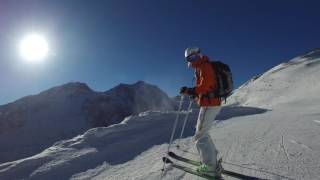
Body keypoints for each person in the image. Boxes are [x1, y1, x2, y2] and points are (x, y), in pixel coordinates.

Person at [180, 47, 222, 177]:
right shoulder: (201, 68)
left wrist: (191, 90)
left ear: (199, 55)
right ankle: (212, 160)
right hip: (210, 103)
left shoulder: (204, 67)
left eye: (194, 57)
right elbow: (206, 89)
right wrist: (195, 95)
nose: (192, 61)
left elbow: (206, 85)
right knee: (203, 132)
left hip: (210, 105)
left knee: (200, 136)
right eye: (189, 59)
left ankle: (209, 166)